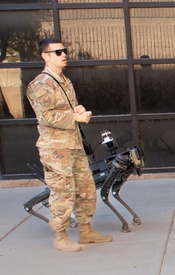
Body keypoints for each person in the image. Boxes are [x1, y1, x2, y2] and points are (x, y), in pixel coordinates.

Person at [26, 38, 113, 252]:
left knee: (86, 189)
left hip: (73, 145)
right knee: (63, 192)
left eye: (64, 51)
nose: (63, 55)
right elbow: (45, 116)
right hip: (56, 150)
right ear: (45, 56)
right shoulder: (41, 84)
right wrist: (74, 117)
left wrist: (78, 111)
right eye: (57, 52)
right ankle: (60, 236)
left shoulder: (63, 81)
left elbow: (65, 110)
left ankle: (86, 231)